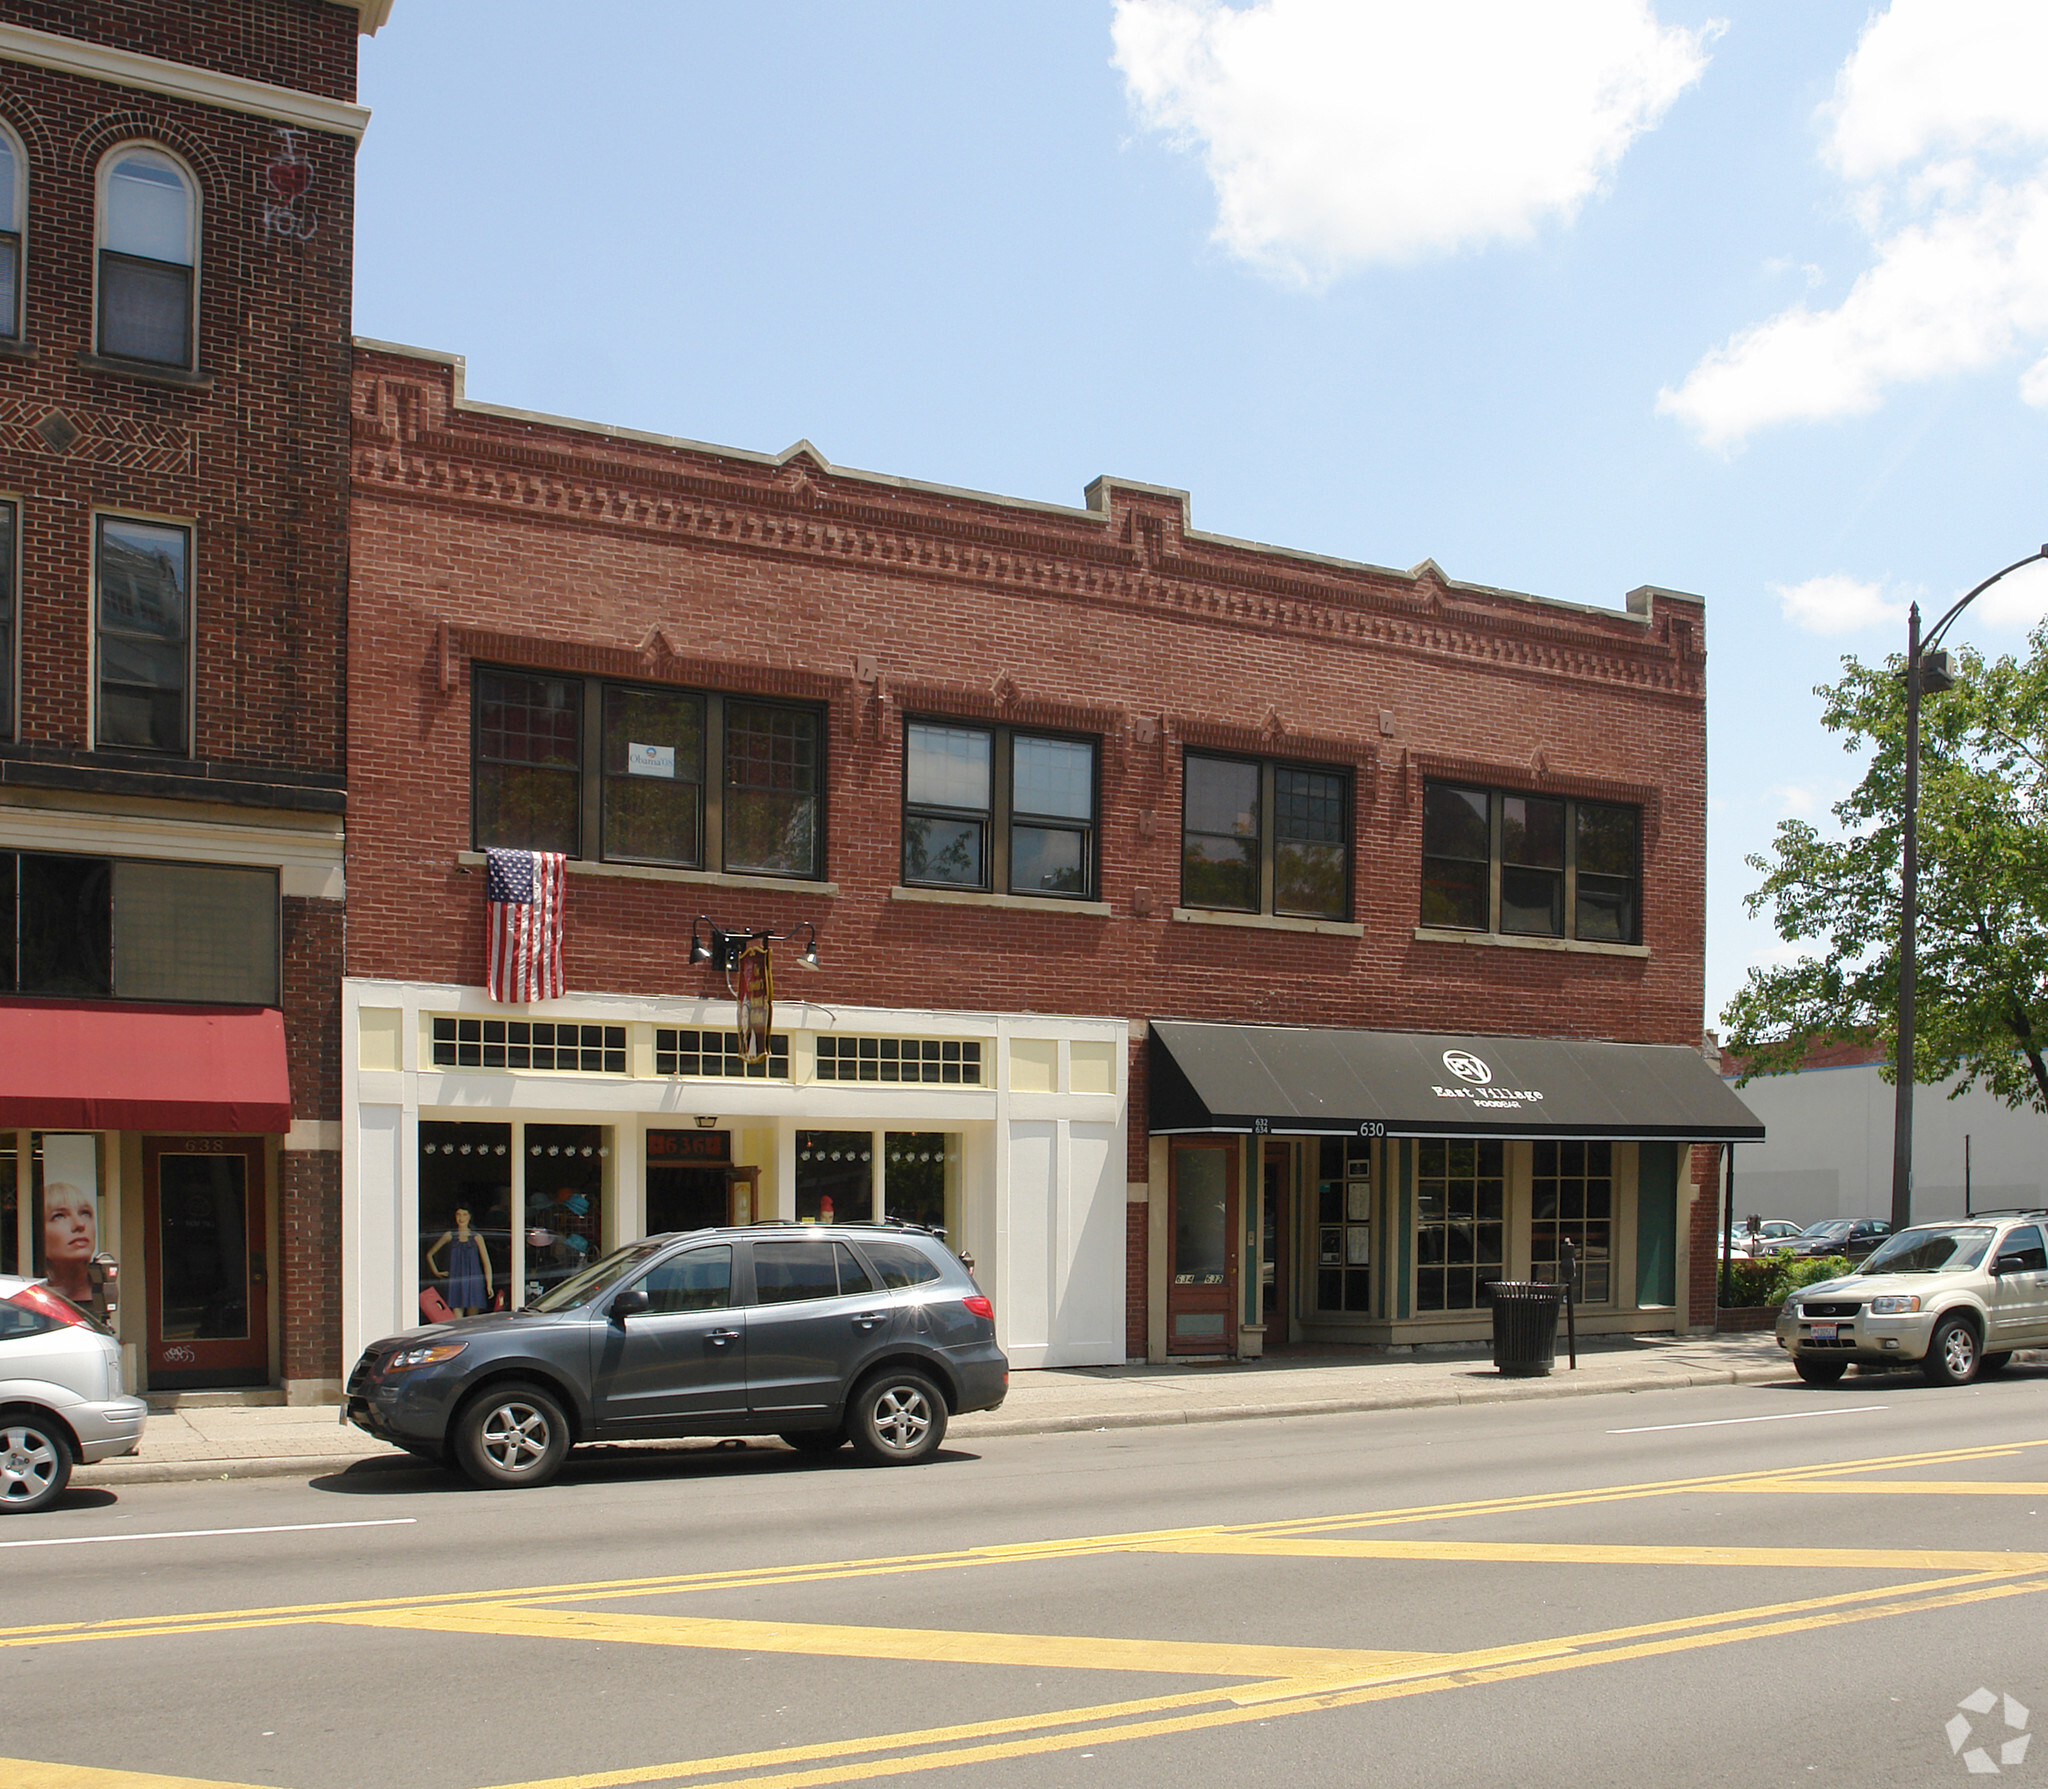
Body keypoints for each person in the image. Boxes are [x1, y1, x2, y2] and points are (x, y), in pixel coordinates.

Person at [41, 1182, 110, 1321]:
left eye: (85, 1213)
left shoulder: (104, 1288)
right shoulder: (34, 1296)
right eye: (59, 1216)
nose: (79, 1224)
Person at [424, 1206, 494, 1316]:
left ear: (470, 1217)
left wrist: (489, 1284)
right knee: (457, 1320)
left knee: (473, 1321)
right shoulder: (450, 1235)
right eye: (458, 1214)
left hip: (473, 1281)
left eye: (465, 1214)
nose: (461, 1218)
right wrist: (436, 1272)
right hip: (456, 1281)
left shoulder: (477, 1237)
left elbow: (486, 1263)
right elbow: (430, 1254)